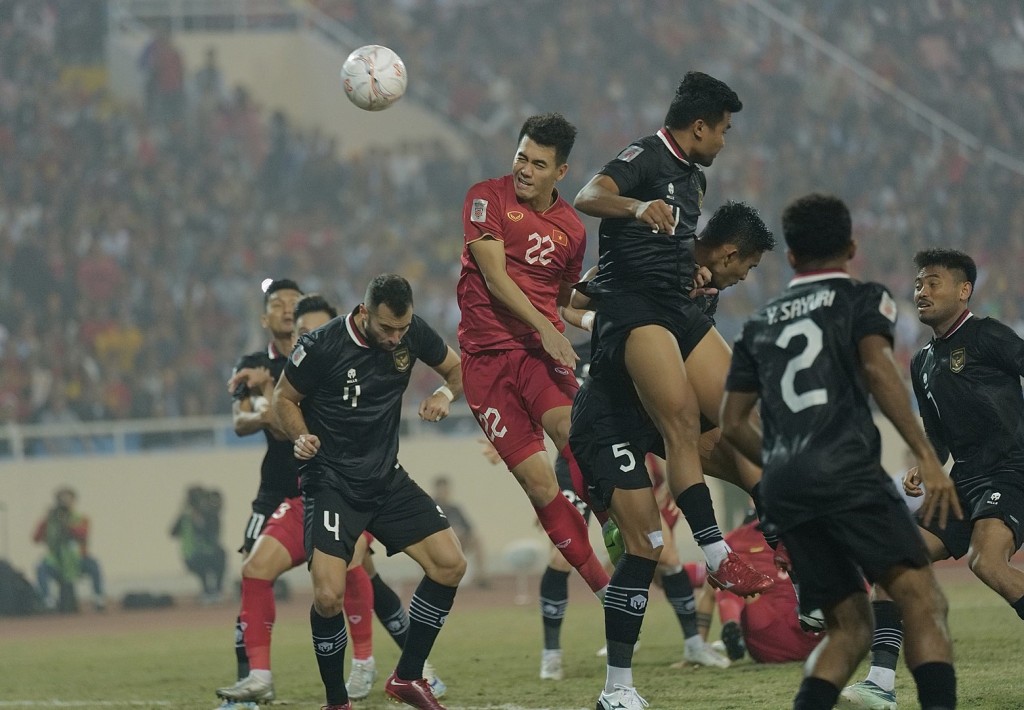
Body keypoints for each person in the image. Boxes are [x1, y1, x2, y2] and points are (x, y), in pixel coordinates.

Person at [719, 192, 961, 710]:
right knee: (923, 601)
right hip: (847, 471)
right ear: (851, 246)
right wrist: (924, 453)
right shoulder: (863, 299)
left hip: (785, 490)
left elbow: (732, 423)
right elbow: (877, 370)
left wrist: (784, 462)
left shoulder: (758, 324)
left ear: (789, 257)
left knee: (847, 628)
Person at [566, 199, 777, 706]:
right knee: (646, 546)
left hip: (653, 414)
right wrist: (603, 319)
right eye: (747, 267)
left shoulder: (703, 292)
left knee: (746, 453)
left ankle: (791, 554)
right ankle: (617, 690)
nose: (745, 277)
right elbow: (568, 297)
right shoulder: (647, 258)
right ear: (730, 253)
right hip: (608, 417)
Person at [842, 248, 1024, 710]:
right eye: (920, 283)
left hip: (1013, 468)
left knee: (988, 562)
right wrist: (926, 463)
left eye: (934, 282)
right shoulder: (921, 361)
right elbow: (937, 434)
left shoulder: (988, 337)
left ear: (964, 291)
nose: (922, 291)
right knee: (893, 562)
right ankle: (880, 684)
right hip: (964, 479)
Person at [273, 273, 464, 710]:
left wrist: (443, 394)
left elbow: (456, 369)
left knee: (450, 565)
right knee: (327, 596)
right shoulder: (320, 346)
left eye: (402, 328)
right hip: (331, 482)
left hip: (385, 478)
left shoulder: (410, 332)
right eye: (386, 329)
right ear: (363, 313)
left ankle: (408, 677)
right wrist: (301, 435)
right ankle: (338, 702)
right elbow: (284, 399)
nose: (396, 337)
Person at [456, 112, 609, 606]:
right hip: (486, 362)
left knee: (575, 433)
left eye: (538, 163)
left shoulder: (572, 230)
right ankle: (605, 592)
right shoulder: (486, 197)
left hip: (536, 357)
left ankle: (612, 525)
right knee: (540, 482)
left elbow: (564, 300)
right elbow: (497, 279)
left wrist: (594, 317)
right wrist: (550, 329)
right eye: (522, 156)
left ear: (560, 172)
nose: (524, 169)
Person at [224, 277, 303, 683]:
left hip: (323, 485)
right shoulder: (252, 364)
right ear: (263, 316)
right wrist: (268, 408)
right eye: (277, 302)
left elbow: (275, 419)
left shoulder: (320, 357)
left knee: (358, 576)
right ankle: (248, 678)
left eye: (294, 301)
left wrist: (271, 398)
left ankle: (418, 667)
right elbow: (244, 422)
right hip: (275, 490)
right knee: (252, 571)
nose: (287, 308)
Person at [688, 513, 823, 666]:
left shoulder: (737, 539)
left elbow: (703, 587)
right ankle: (729, 629)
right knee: (731, 574)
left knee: (729, 574)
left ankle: (728, 624)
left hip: (776, 639)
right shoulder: (812, 528)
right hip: (809, 636)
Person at [33, 487, 105, 612]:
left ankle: (98, 598)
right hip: (57, 560)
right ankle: (48, 600)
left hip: (78, 559)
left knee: (94, 566)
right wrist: (47, 520)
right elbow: (36, 538)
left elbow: (82, 534)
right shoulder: (50, 520)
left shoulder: (81, 518)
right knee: (41, 568)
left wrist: (65, 523)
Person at [170, 485, 227, 603]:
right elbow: (173, 532)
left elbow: (212, 533)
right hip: (192, 555)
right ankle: (207, 592)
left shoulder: (209, 515)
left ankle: (217, 591)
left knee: (221, 555)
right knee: (203, 562)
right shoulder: (185, 517)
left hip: (209, 552)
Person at [432, 476, 488, 587]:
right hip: (440, 544)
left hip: (460, 542)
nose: (444, 492)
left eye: (446, 489)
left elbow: (469, 528)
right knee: (454, 532)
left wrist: (461, 531)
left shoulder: (455, 509)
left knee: (476, 540)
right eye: (442, 490)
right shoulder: (432, 508)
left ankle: (481, 575)